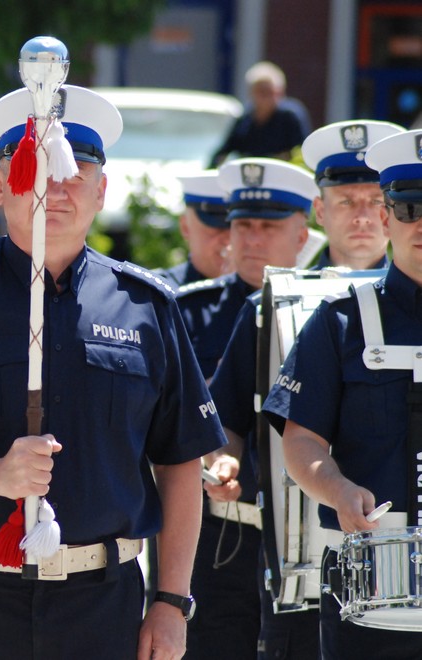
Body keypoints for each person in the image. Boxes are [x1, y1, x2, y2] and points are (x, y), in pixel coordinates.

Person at [0, 83, 226, 659]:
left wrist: (172, 602)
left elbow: (179, 460)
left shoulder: (147, 306)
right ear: (0, 184)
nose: (58, 187)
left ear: (101, 191)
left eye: (76, 171)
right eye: (38, 166)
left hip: (104, 606)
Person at [263, 129, 422, 659]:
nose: (420, 223)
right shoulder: (339, 321)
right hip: (368, 582)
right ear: (384, 218)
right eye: (407, 207)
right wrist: (336, 489)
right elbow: (301, 438)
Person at [178, 158, 317, 660]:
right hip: (224, 533)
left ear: (302, 235)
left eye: (269, 226)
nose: (252, 239)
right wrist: (217, 461)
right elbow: (220, 420)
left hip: (307, 537)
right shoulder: (189, 309)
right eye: (243, 225)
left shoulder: (325, 310)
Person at [301, 120, 404, 271]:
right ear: (320, 211)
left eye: (376, 201)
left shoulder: (414, 294)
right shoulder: (288, 293)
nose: (362, 217)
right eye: (347, 202)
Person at [210, 62, 309, 168]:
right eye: (261, 91)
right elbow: (223, 152)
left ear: (280, 93)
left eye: (270, 92)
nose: (265, 97)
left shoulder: (290, 117)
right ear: (251, 93)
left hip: (283, 176)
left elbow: (302, 153)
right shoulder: (245, 120)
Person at [156, 170, 232, 286]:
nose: (228, 239)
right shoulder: (158, 296)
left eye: (241, 227)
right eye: (216, 226)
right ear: (185, 227)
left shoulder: (264, 293)